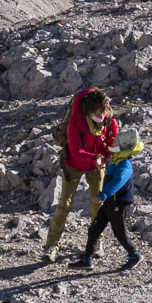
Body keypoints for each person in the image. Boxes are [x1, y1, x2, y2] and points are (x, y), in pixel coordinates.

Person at [43, 87, 118, 263]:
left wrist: (113, 152)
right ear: (89, 111)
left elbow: (111, 142)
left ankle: (97, 243)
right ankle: (51, 246)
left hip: (96, 165)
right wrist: (95, 158)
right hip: (73, 165)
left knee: (98, 204)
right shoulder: (75, 122)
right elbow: (76, 151)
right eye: (98, 114)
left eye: (104, 112)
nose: (102, 116)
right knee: (64, 205)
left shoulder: (108, 119)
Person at [78, 125, 144, 270]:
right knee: (95, 228)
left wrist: (103, 194)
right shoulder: (117, 162)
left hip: (118, 204)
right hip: (110, 202)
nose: (112, 143)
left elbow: (117, 182)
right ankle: (87, 258)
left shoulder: (125, 165)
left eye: (116, 142)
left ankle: (135, 254)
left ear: (123, 147)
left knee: (119, 233)